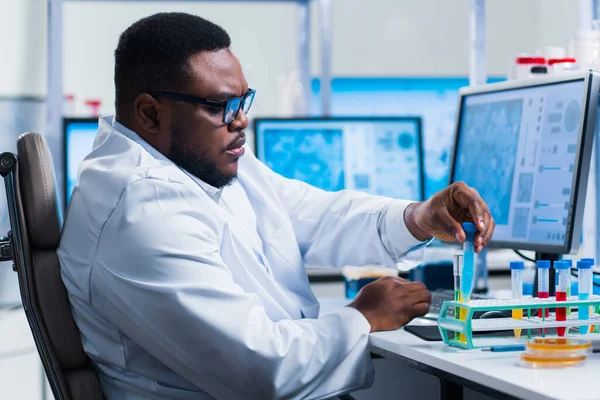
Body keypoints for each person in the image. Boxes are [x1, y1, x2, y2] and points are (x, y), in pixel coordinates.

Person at [58, 12, 495, 400]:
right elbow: (263, 371)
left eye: (244, 100)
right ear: (150, 114)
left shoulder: (202, 161)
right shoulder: (140, 207)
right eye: (222, 106)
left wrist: (418, 218)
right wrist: (362, 316)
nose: (241, 119)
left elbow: (315, 216)